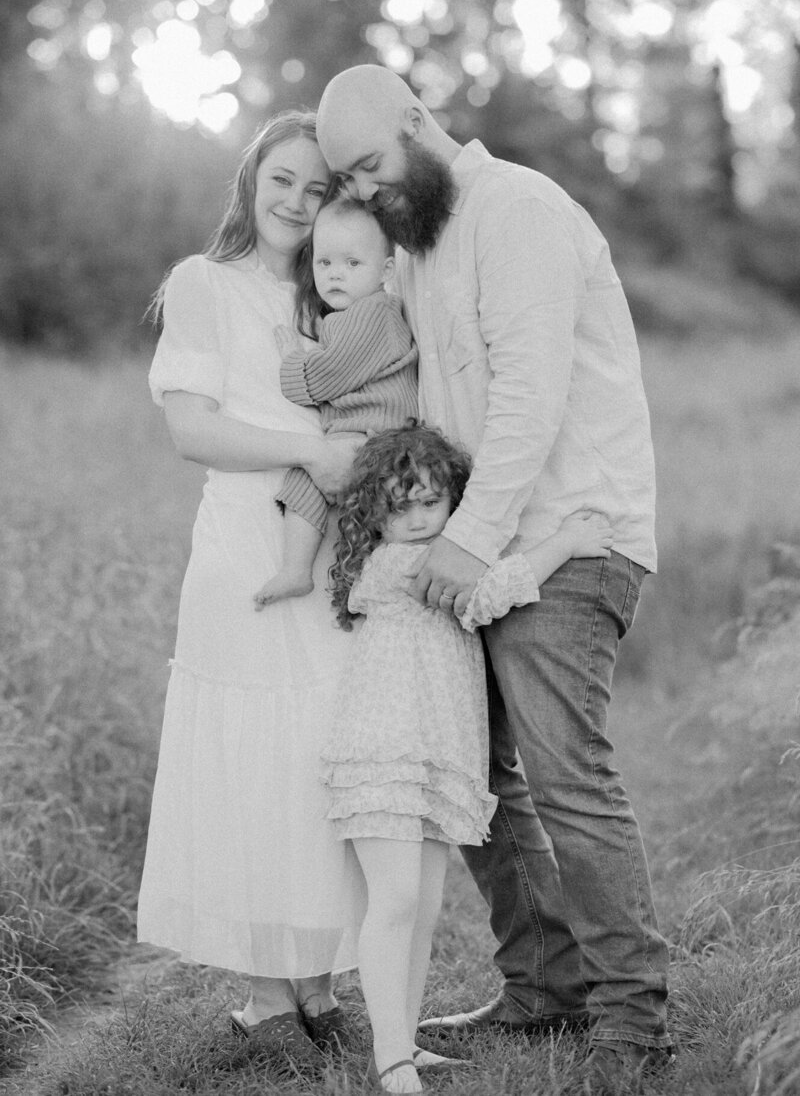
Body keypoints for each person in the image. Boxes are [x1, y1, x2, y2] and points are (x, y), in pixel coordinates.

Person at [315, 65, 674, 1094]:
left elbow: (528, 396)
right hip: (476, 543)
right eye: (353, 179)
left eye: (375, 165)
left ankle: (630, 1018)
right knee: (482, 776)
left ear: (418, 122)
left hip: (570, 534)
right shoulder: (424, 247)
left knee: (566, 776)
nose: (373, 192)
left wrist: (466, 541)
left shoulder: (514, 210)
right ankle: (543, 983)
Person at [137, 111, 365, 1071]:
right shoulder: (204, 283)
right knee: (251, 755)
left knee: (318, 752)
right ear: (251, 178)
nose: (297, 203)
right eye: (283, 180)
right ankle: (268, 995)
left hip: (326, 554)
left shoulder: (336, 294)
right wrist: (308, 447)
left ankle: (318, 980)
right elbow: (192, 429)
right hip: (240, 544)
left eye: (318, 190)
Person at [323, 422, 615, 1094]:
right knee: (395, 903)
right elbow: (490, 591)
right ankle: (390, 1058)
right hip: (387, 754)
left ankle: (405, 1042)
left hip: (430, 756)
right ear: (375, 514)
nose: (420, 520)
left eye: (431, 503)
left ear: (452, 500)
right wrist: (566, 541)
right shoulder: (403, 567)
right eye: (401, 507)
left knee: (421, 909)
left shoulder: (427, 556)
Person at [253, 196, 417, 606]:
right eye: (324, 263)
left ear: (386, 270)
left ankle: (296, 571)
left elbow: (322, 378)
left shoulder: (373, 314)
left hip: (375, 437)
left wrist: (293, 358)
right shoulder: (353, 315)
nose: (336, 275)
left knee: (308, 472)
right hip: (368, 436)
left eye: (352, 263)